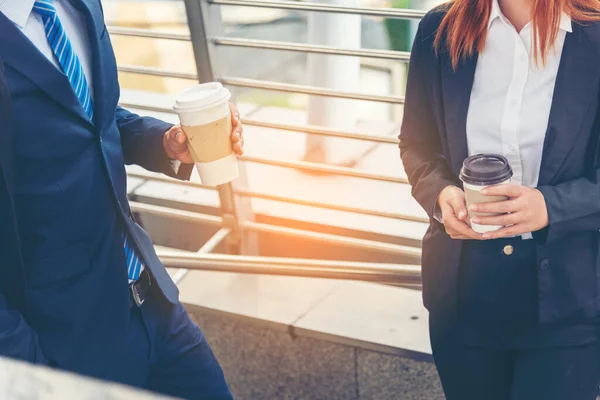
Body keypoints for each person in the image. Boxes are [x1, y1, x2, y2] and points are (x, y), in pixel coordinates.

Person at [0, 0, 244, 398]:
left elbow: (93, 116)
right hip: (72, 347)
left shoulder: (79, 6)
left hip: (155, 305)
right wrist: (34, 374)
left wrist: (165, 142)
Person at [400, 0, 600, 398]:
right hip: (462, 295)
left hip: (569, 298)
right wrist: (440, 196)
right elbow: (416, 145)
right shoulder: (438, 30)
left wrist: (551, 207)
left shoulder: (593, 37)